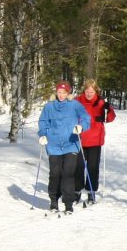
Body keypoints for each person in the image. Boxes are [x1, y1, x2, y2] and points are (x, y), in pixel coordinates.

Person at [38, 81, 91, 214]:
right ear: (56, 92)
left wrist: (81, 126)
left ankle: (68, 203)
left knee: (68, 173)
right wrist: (43, 134)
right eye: (59, 92)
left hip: (71, 143)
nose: (61, 95)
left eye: (64, 93)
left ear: (68, 93)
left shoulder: (74, 105)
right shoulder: (49, 106)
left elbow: (85, 117)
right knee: (55, 174)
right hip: (54, 144)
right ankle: (54, 201)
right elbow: (43, 121)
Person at [75, 81, 115, 205]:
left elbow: (110, 118)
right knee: (78, 167)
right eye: (87, 91)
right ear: (84, 90)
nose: (89, 94)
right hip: (80, 139)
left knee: (93, 168)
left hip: (95, 140)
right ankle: (77, 191)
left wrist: (108, 109)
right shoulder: (77, 101)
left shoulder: (100, 102)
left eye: (92, 92)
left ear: (96, 91)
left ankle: (91, 191)